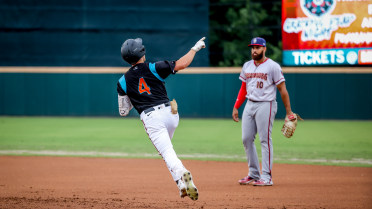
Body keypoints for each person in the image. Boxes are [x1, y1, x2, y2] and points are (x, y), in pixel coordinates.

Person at [116, 37, 206, 200]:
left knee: (167, 152)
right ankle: (181, 185)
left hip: (152, 118)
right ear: (142, 52)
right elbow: (182, 64)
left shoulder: (122, 82)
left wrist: (134, 96)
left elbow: (123, 111)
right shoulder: (153, 67)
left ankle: (182, 171)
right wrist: (195, 48)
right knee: (165, 152)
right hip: (170, 113)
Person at [232, 37, 294, 186]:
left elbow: (282, 90)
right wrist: (236, 106)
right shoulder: (247, 65)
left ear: (264, 49)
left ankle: (266, 177)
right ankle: (254, 173)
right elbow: (243, 88)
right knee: (246, 139)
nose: (254, 50)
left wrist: (289, 112)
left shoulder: (273, 66)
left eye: (258, 47)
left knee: (265, 140)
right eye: (252, 47)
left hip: (266, 104)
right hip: (249, 104)